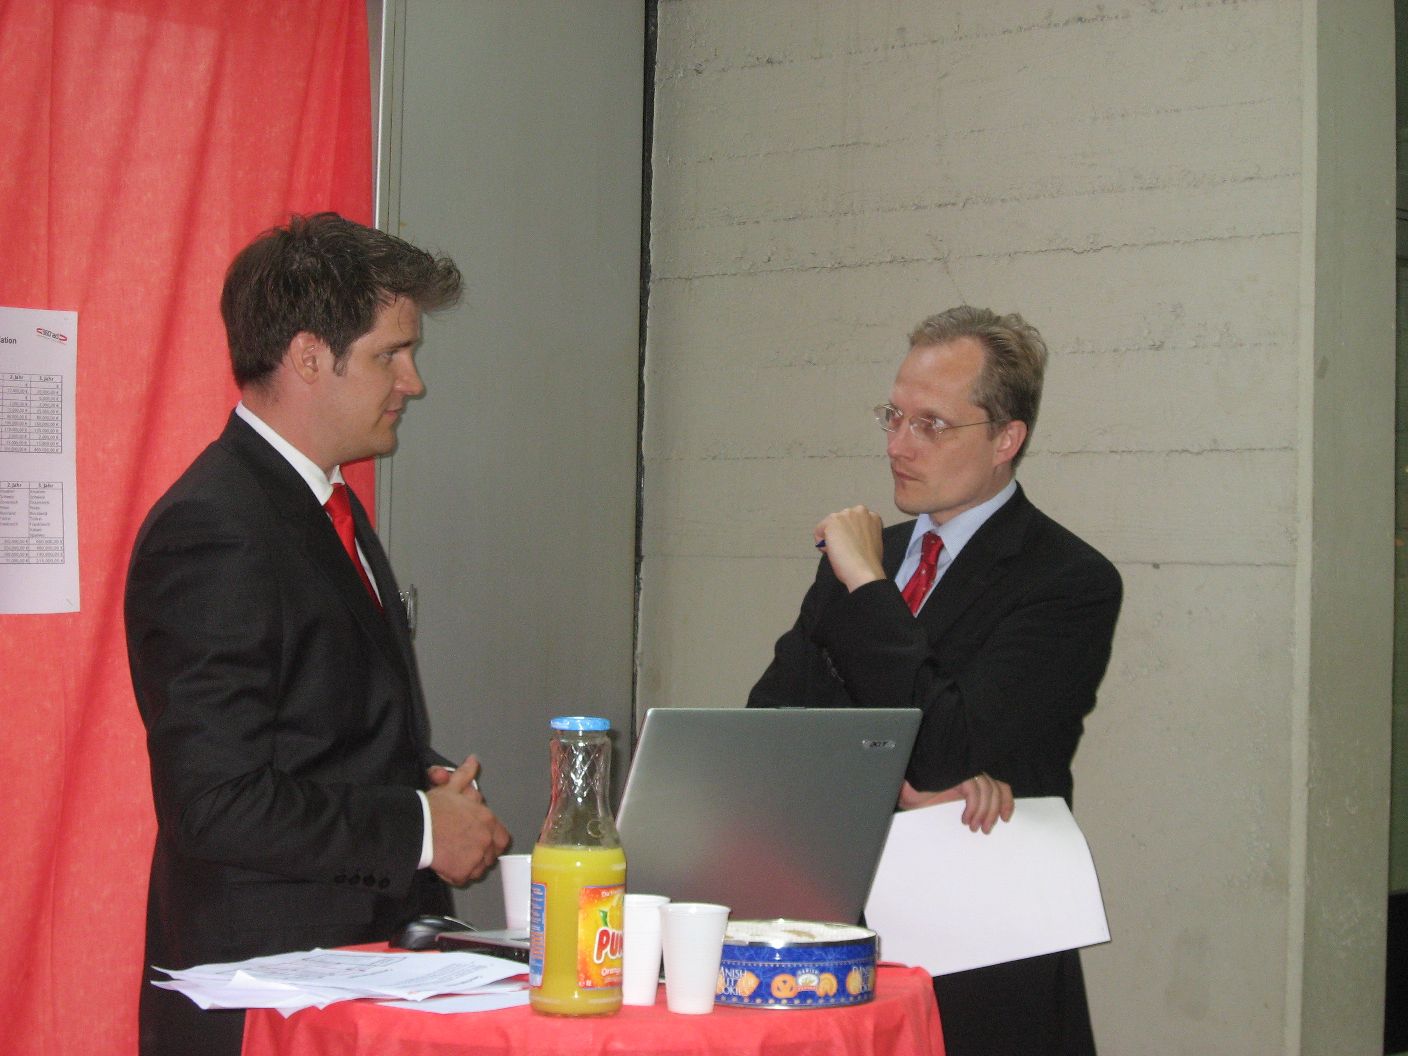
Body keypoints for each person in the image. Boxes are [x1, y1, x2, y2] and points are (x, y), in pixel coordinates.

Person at [125, 213, 510, 1056]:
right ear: (307, 356)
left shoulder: (324, 503)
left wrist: (420, 777)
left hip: (351, 988)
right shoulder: (215, 526)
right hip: (268, 1009)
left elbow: (317, 729)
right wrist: (419, 827)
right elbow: (214, 804)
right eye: (389, 355)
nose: (412, 382)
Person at [747, 306, 1121, 1055]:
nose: (897, 445)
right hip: (837, 942)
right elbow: (771, 729)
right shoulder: (866, 555)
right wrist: (897, 781)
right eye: (893, 416)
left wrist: (868, 587)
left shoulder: (1067, 580)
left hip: (983, 964)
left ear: (1006, 439)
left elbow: (948, 748)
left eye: (932, 425)